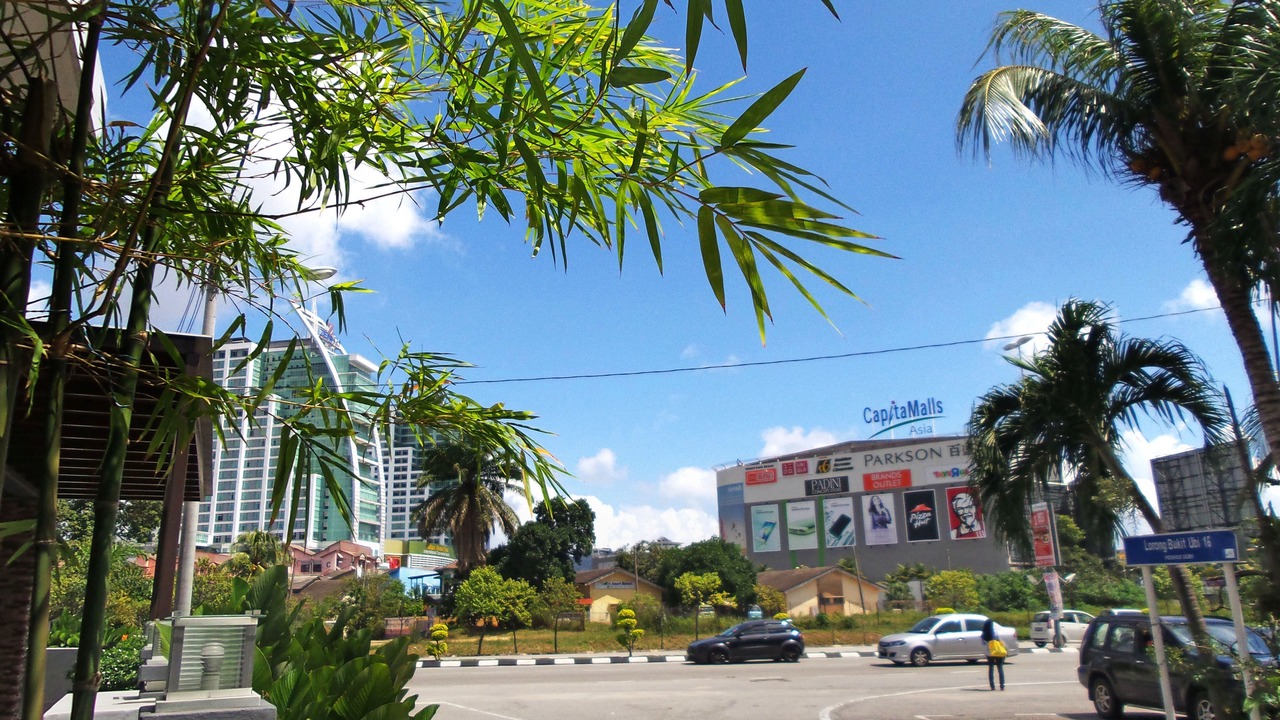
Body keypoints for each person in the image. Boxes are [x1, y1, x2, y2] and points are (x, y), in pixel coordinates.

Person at [981, 618, 1006, 690]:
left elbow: (983, 644)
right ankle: (1002, 686)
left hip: (989, 653)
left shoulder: (983, 634)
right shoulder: (994, 632)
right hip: (997, 651)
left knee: (991, 668)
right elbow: (999, 640)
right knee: (1000, 668)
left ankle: (992, 686)